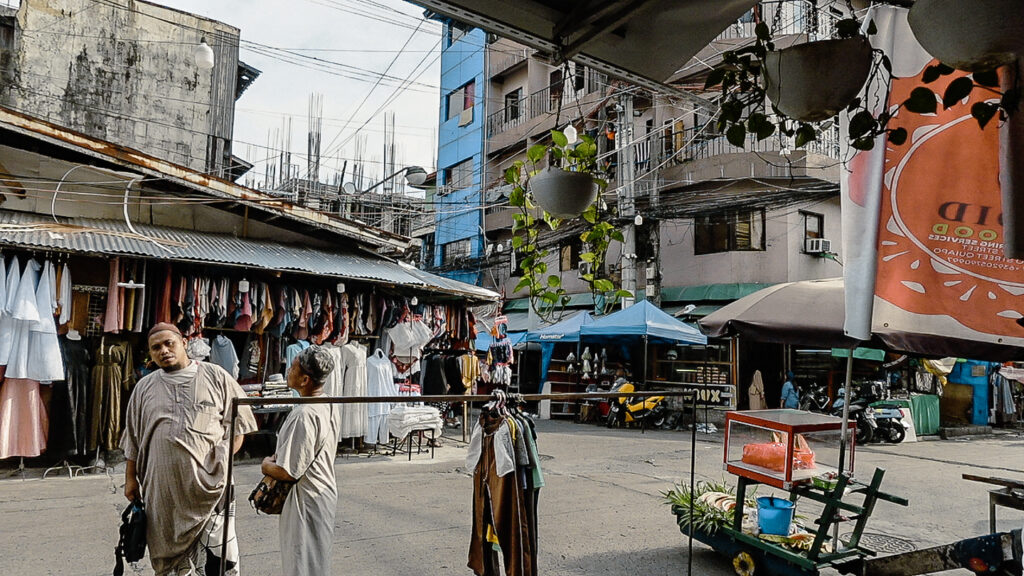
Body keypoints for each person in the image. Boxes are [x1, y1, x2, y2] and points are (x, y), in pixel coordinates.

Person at [121, 322, 257, 575]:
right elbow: (133, 439)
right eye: (156, 348)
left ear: (184, 343)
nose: (163, 350)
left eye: (169, 343)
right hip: (162, 493)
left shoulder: (216, 376)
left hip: (212, 490)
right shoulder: (143, 388)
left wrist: (223, 460)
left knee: (220, 561)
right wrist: (130, 479)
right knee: (171, 565)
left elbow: (239, 428)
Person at [261, 345, 339, 576]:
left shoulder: (304, 415)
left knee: (301, 563)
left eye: (292, 367)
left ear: (305, 379)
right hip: (321, 492)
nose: (288, 371)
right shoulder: (326, 403)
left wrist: (265, 465)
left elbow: (289, 472)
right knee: (314, 560)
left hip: (305, 499)